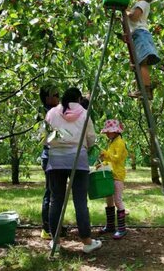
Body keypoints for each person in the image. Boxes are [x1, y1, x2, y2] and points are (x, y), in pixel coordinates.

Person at [45, 87, 102, 253]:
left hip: (56, 160)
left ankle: (55, 242)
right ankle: (86, 241)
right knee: (80, 201)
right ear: (78, 99)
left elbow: (46, 137)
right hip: (78, 159)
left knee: (56, 200)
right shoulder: (84, 113)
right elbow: (91, 137)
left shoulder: (53, 113)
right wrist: (85, 146)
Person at [126, 0, 160, 100]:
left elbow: (134, 17)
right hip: (139, 35)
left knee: (142, 63)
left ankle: (145, 90)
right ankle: (144, 89)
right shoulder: (142, 3)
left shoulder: (142, 3)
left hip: (140, 35)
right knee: (140, 63)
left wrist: (126, 11)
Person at [99, 119, 128, 239]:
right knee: (109, 200)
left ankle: (122, 229)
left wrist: (106, 155)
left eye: (108, 132)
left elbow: (116, 158)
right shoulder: (111, 142)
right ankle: (110, 225)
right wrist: (102, 164)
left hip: (117, 175)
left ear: (115, 132)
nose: (106, 134)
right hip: (110, 175)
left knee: (117, 200)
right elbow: (109, 160)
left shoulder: (120, 142)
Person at [39, 83, 60, 240]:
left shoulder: (51, 111)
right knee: (51, 192)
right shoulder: (48, 114)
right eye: (56, 94)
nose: (59, 97)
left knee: (55, 193)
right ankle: (47, 228)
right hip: (51, 156)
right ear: (48, 98)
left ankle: (54, 225)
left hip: (53, 156)